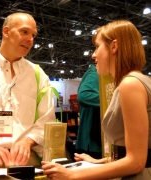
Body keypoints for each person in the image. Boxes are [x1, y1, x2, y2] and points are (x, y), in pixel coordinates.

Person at [42, 19, 151, 179]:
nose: (93, 54)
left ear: (114, 46)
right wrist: (98, 161)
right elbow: (138, 150)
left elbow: (136, 161)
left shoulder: (130, 84)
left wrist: (71, 176)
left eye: (97, 46)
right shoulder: (138, 81)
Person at [0, 12, 56, 167]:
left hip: (25, 164)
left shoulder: (38, 75)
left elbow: (46, 119)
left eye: (33, 35)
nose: (30, 40)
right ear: (6, 31)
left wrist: (28, 141)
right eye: (24, 31)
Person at [75, 64, 102, 159]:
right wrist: (111, 99)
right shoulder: (95, 73)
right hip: (92, 143)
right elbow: (83, 96)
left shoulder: (101, 75)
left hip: (95, 141)